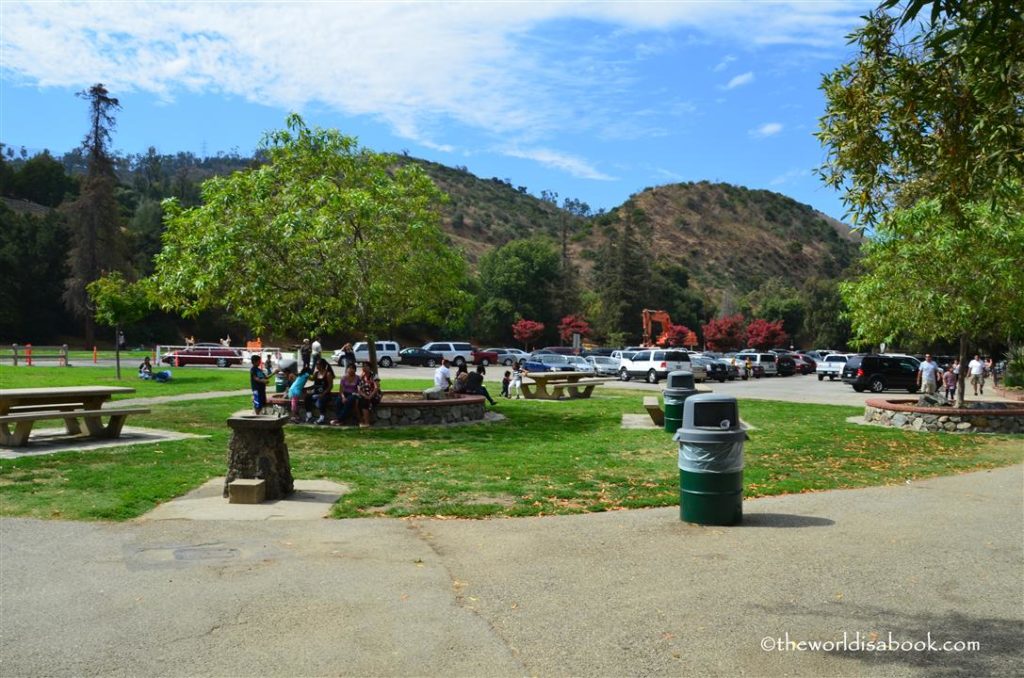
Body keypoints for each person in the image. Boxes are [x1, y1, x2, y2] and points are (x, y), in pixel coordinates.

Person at [305, 358, 335, 424]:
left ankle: (322, 418)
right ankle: (309, 416)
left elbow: (330, 386)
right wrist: (305, 374)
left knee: (321, 401)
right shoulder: (316, 373)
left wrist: (323, 394)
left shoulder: (328, 374)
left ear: (322, 365)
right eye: (316, 365)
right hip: (316, 393)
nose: (316, 366)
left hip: (325, 394)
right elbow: (312, 380)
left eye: (317, 365)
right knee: (307, 397)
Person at [356, 363, 381, 428]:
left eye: (366, 366)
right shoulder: (361, 377)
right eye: (363, 366)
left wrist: (370, 396)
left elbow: (376, 388)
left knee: (365, 402)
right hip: (364, 395)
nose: (364, 367)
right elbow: (359, 389)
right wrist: (364, 395)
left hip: (374, 395)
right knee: (356, 402)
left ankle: (367, 423)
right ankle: (361, 421)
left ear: (370, 368)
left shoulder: (374, 376)